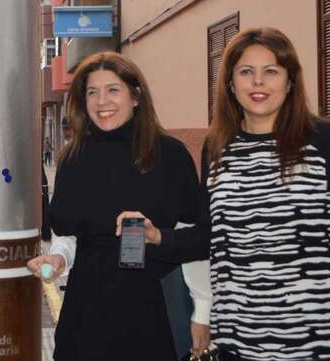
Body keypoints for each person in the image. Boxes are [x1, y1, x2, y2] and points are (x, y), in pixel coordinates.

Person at [120, 27, 330, 360]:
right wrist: (158, 236)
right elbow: (209, 235)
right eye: (246, 72)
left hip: (312, 338)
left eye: (271, 71)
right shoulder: (218, 148)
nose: (258, 82)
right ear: (230, 83)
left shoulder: (321, 142)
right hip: (237, 337)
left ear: (290, 81)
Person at [26, 51, 205, 361]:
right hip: (86, 313)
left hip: (154, 314)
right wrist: (58, 259)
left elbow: (200, 239)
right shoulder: (73, 159)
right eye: (92, 92)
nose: (101, 101)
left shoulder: (170, 155)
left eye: (113, 90)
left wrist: (202, 311)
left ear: (135, 96)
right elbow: (68, 235)